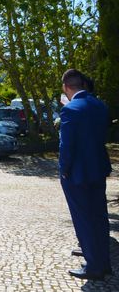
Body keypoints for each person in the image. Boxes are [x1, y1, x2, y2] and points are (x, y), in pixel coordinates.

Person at [59, 69, 112, 280]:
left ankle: (94, 266)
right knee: (99, 216)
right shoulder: (100, 105)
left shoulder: (71, 109)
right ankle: (103, 261)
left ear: (66, 87)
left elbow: (67, 145)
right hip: (98, 168)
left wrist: (64, 170)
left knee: (83, 218)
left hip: (78, 173)